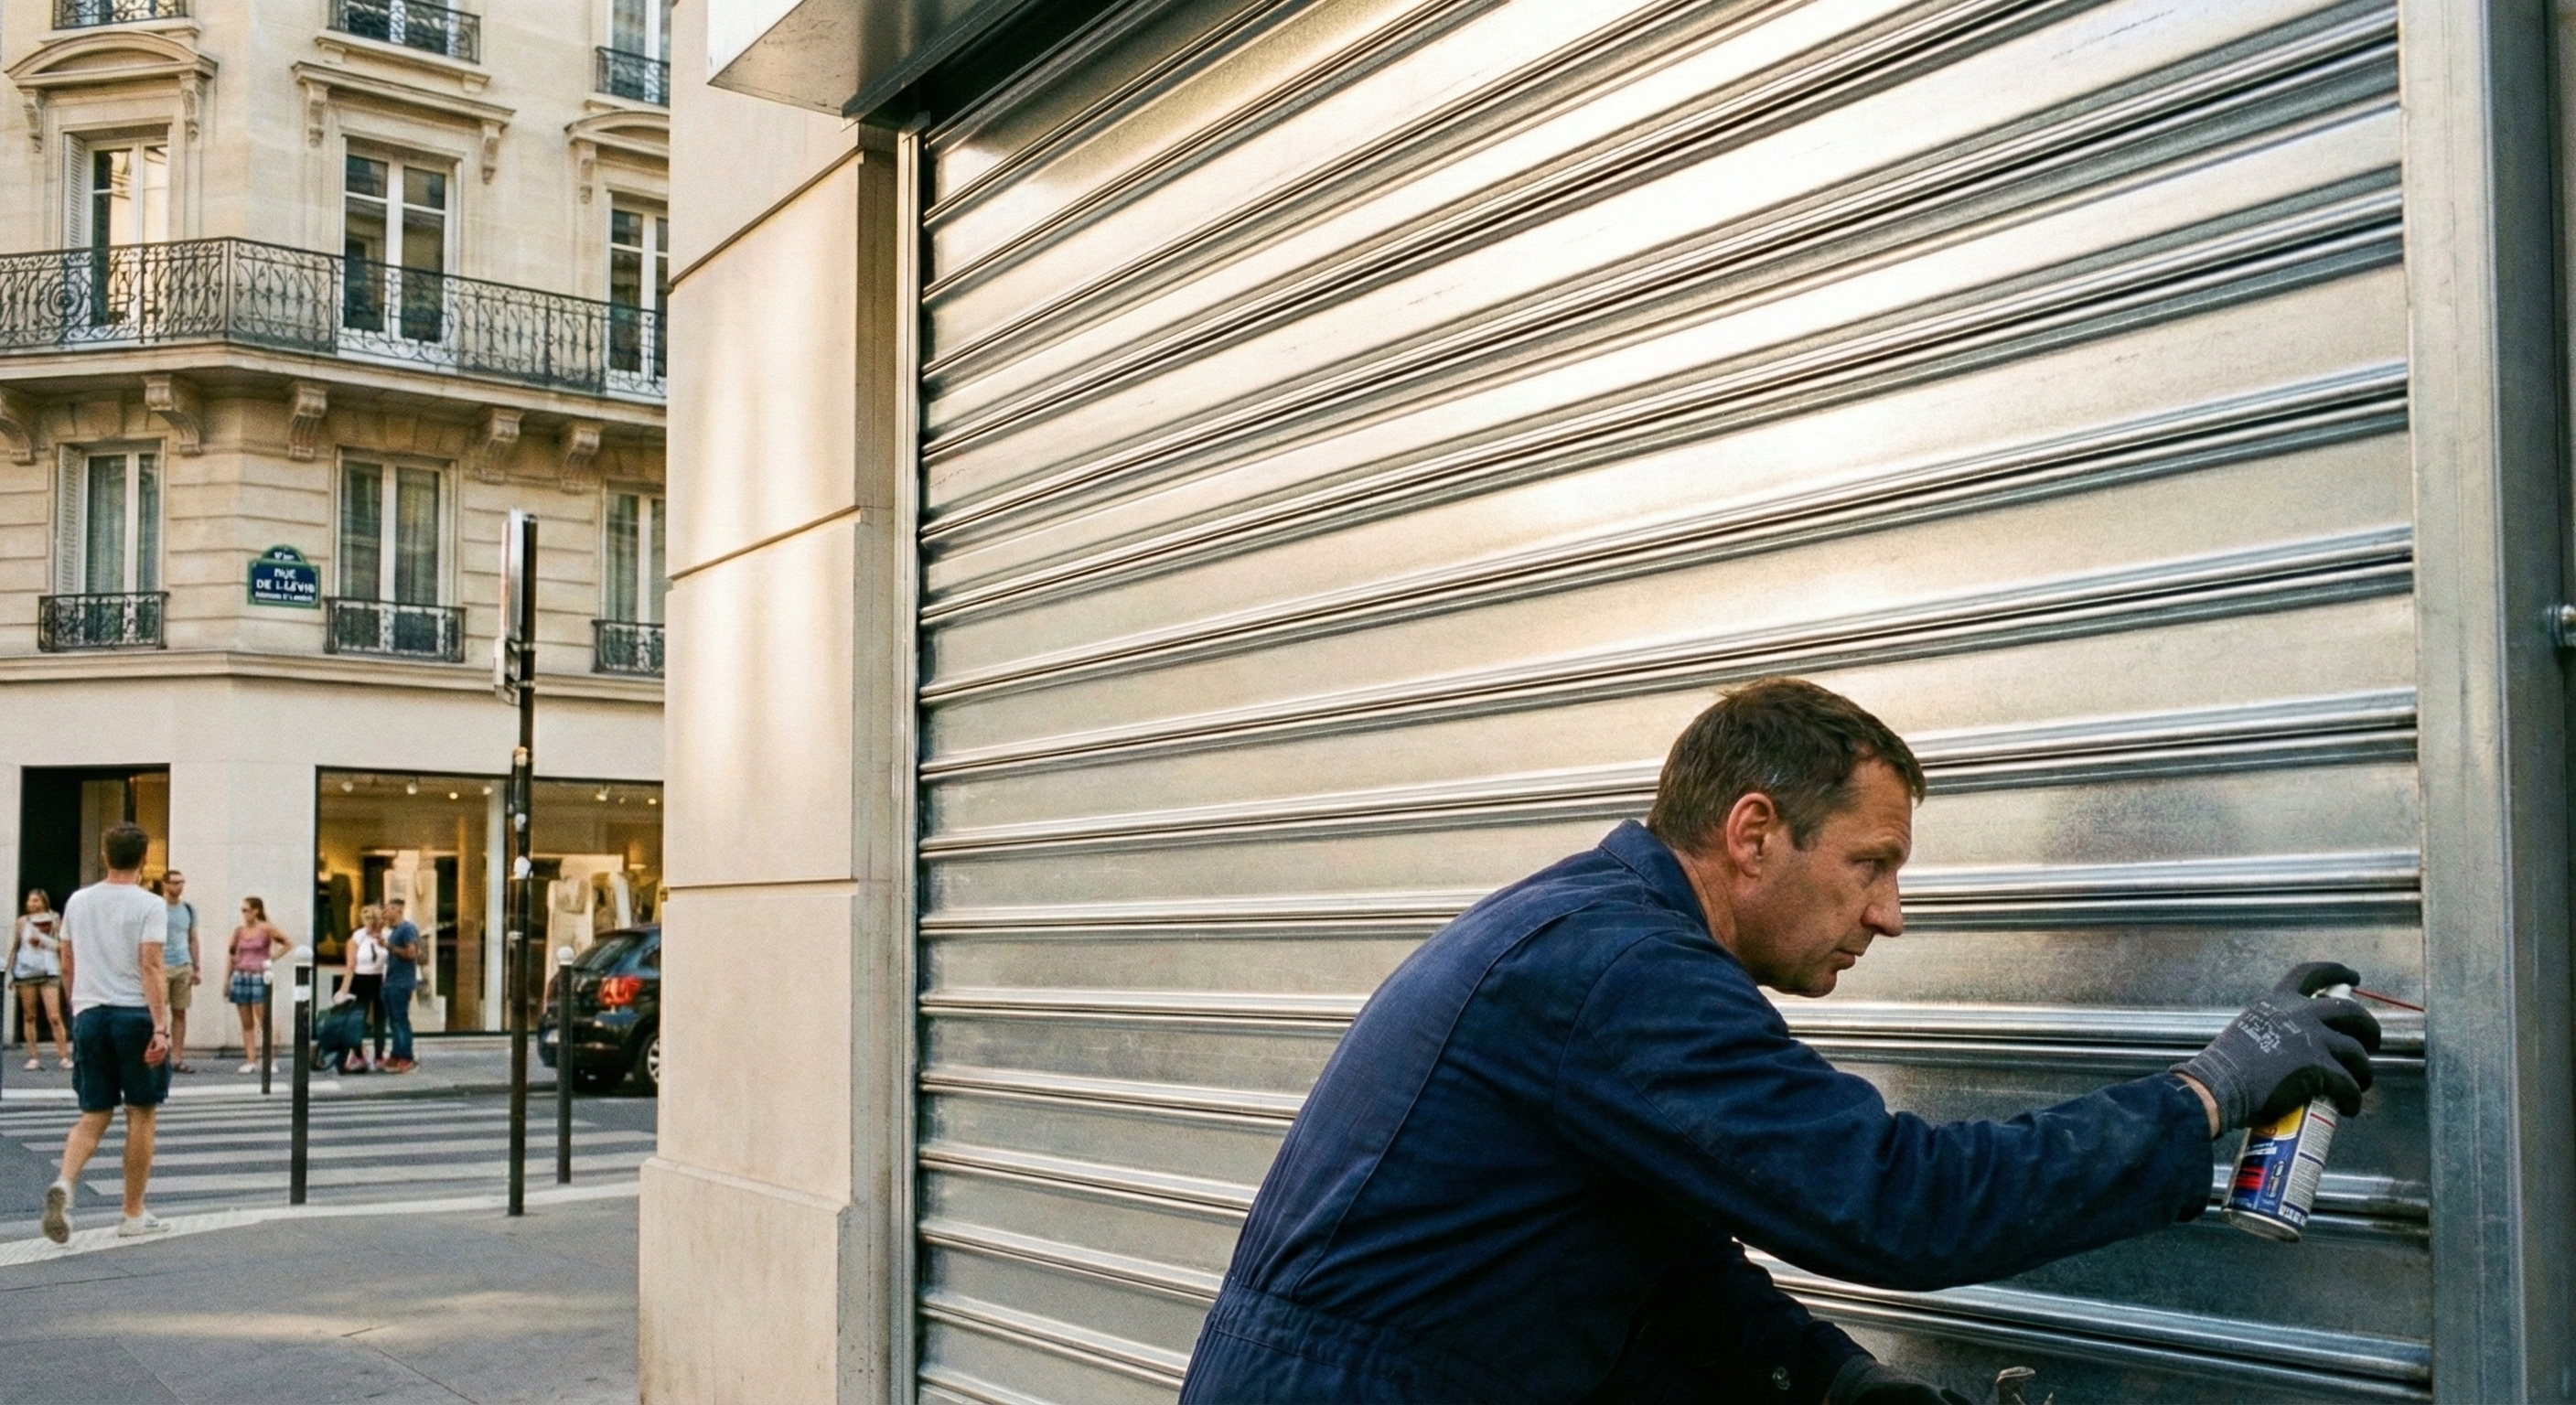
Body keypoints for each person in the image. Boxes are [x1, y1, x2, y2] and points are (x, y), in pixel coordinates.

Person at [1177, 678, 2381, 1405]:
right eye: (1871, 865)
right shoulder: (1622, 974)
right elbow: (1893, 1202)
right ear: (1754, 834)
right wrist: (2207, 1094)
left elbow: (1666, 1273)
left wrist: (1839, 1388)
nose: (1890, 915)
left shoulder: (1596, 945)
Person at [42, 823, 174, 1243]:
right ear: (143, 858)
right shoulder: (150, 905)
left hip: (90, 1014)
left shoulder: (78, 901)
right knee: (141, 1112)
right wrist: (161, 1026)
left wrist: (77, 1006)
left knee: (94, 1113)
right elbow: (151, 965)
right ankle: (132, 1214)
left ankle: (65, 1182)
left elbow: (66, 961)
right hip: (134, 1015)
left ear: (105, 855)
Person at [227, 897, 291, 1074]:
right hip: (241, 974)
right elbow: (232, 954)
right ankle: (250, 1059)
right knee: (246, 1022)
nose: (244, 914)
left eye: (247, 910)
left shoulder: (265, 928)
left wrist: (270, 960)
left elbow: (287, 943)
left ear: (256, 910)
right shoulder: (239, 931)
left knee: (264, 1019)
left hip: (258, 975)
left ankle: (270, 1059)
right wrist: (228, 978)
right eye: (243, 910)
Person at [10, 889, 70, 1071]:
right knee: (29, 1015)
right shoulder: (22, 922)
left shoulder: (54, 919)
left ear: (44, 901)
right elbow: (15, 946)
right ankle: (33, 1057)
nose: (33, 904)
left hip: (49, 970)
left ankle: (64, 1056)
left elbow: (63, 944)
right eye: (30, 901)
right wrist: (10, 972)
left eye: (36, 900)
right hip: (25, 971)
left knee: (54, 1016)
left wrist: (44, 942)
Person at [158, 869, 201, 1074]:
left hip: (183, 964)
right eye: (174, 883)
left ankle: (177, 1058)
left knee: (180, 1011)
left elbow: (193, 938)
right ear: (165, 885)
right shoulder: (157, 907)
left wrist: (196, 967)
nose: (179, 886)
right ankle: (160, 1055)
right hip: (161, 965)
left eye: (181, 882)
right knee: (159, 1012)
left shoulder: (188, 909)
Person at [340, 906, 389, 1074]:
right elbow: (351, 965)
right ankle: (359, 1054)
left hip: (380, 980)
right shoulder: (358, 936)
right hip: (362, 979)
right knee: (358, 1019)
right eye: (368, 920)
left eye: (374, 920)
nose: (371, 924)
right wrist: (344, 990)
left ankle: (379, 1054)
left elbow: (390, 960)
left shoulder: (385, 936)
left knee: (380, 1019)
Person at [380, 898, 421, 1073]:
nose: (384, 913)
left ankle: (406, 1057)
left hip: (401, 982)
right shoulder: (395, 931)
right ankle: (396, 1055)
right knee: (394, 1021)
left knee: (400, 1021)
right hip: (392, 981)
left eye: (387, 910)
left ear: (397, 910)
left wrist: (388, 946)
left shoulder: (406, 929)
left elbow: (411, 953)